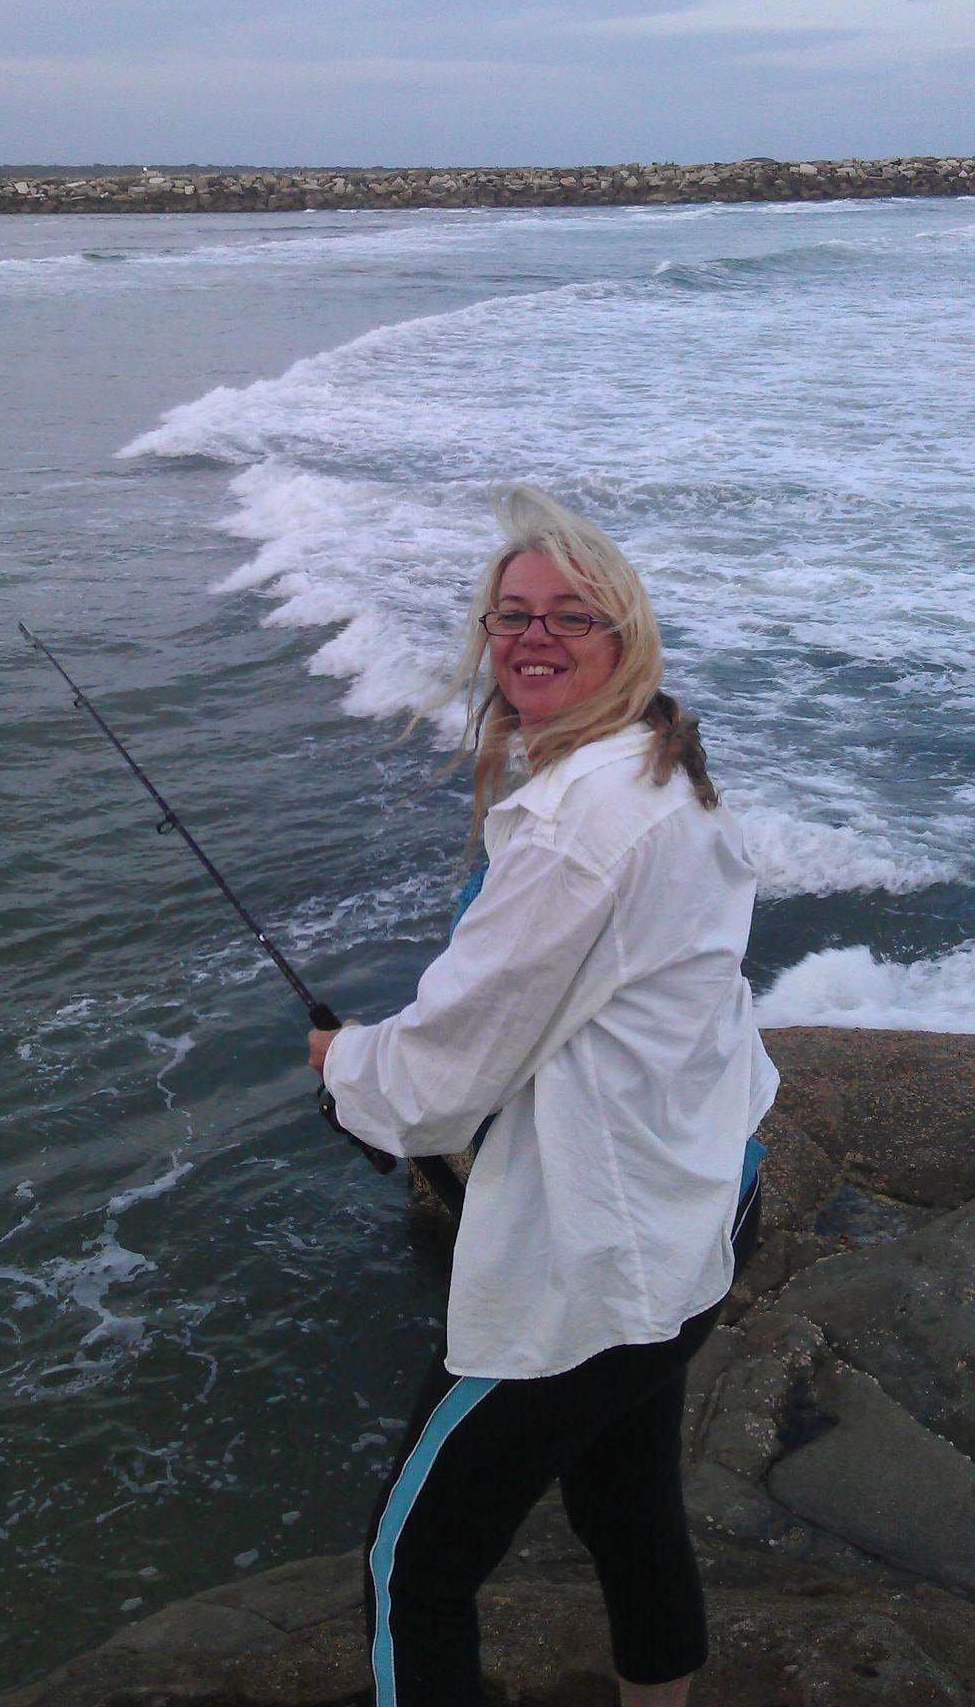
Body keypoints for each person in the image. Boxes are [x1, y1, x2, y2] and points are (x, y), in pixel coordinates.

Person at [307, 484, 779, 1707]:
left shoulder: (579, 824)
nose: (532, 635)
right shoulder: (667, 765)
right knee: (626, 1501)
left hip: (595, 1264)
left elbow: (434, 1083)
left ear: (624, 634)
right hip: (701, 1208)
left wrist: (342, 1065)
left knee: (411, 1567)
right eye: (510, 613)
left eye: (570, 614)